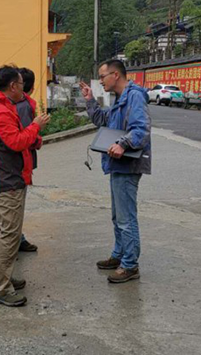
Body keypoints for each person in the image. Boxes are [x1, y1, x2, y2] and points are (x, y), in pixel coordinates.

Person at [0, 65, 50, 307]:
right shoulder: (0, 112)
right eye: (21, 84)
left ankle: (1, 279)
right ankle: (0, 289)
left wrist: (33, 136)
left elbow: (16, 137)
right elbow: (16, 142)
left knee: (1, 232)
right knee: (9, 234)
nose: (24, 88)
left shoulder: (0, 108)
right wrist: (36, 126)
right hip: (7, 181)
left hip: (3, 178)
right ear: (12, 86)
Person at [79, 59, 151, 284]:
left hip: (127, 165)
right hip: (117, 165)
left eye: (102, 76)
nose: (101, 81)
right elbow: (103, 121)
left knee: (126, 217)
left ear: (116, 75)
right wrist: (90, 100)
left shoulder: (135, 96)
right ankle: (119, 255)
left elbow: (141, 129)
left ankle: (130, 265)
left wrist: (123, 143)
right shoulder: (120, 100)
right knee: (117, 215)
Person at [16, 67, 42, 253]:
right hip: (19, 161)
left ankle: (16, 237)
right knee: (16, 202)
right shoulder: (25, 105)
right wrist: (37, 139)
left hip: (14, 161)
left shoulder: (10, 103)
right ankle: (16, 239)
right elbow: (25, 135)